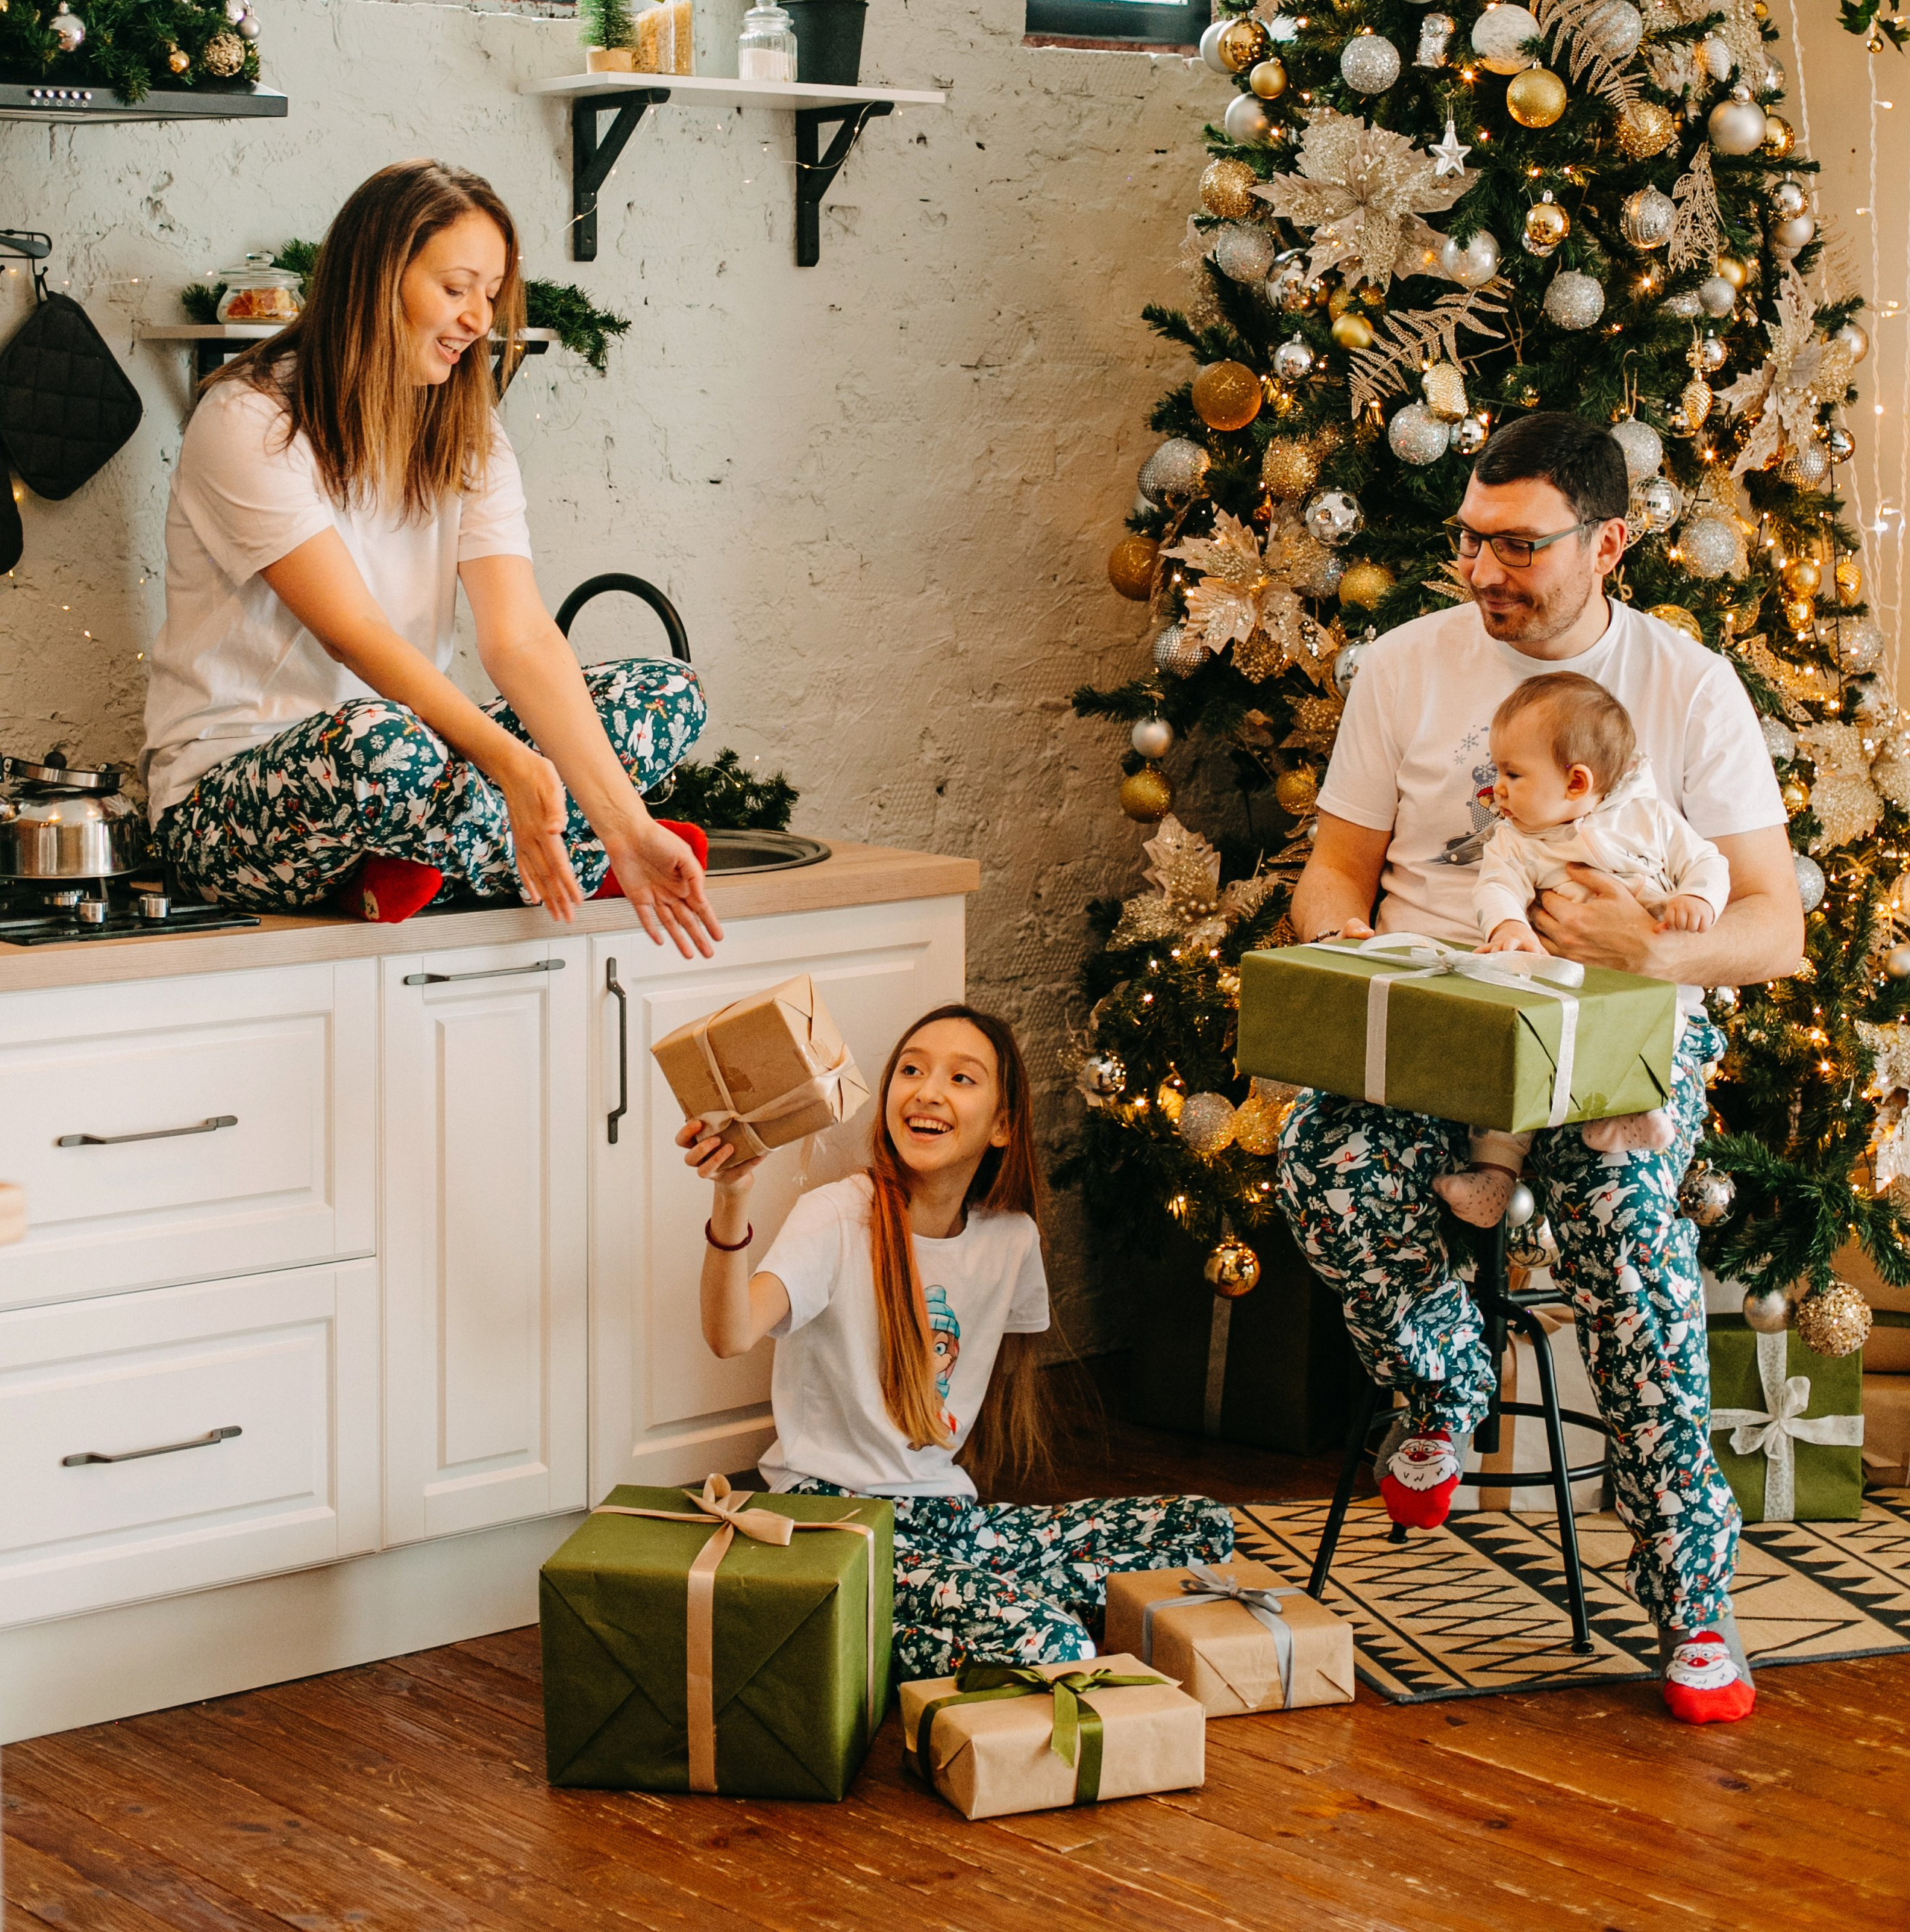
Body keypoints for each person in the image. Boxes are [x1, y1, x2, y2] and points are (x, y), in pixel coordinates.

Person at [1274, 410, 1802, 1725]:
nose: (1482, 571)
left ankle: (1692, 1608)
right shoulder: (1403, 667)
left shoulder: (1689, 688)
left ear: (1607, 542)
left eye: (1518, 546)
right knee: (1318, 1163)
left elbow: (1773, 927)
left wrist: (1649, 948)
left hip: (1614, 1031)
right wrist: (1342, 945)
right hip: (1440, 1018)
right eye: (1469, 538)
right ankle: (1444, 1379)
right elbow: (1336, 870)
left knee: (1634, 1254)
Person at [142, 159, 721, 954]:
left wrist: (624, 823)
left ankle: (442, 864)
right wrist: (518, 771)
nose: (478, 318)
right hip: (231, 802)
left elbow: (518, 639)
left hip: (423, 765)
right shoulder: (248, 417)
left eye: (491, 294)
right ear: (376, 278)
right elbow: (356, 635)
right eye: (456, 289)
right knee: (383, 746)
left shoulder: (469, 435)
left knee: (663, 694)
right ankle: (540, 853)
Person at [680, 1003, 1232, 1680]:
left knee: (1205, 1530)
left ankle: (918, 1612)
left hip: (945, 1518)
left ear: (1003, 1125)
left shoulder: (1011, 1239)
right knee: (1054, 1645)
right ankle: (827, 1624)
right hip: (834, 1522)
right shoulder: (837, 1215)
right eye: (911, 1070)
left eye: (962, 1078)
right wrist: (731, 1197)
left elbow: (984, 1394)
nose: (928, 1090)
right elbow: (729, 1332)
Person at [1434, 673, 1732, 1229]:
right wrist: (1508, 927)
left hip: (1646, 992)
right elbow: (1496, 886)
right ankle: (1494, 1178)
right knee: (1518, 1073)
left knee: (1646, 1034)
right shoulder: (1517, 839)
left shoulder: (1649, 819)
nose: (1496, 789)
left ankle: (1640, 1113)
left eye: (1513, 774)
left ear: (1576, 782)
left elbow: (1709, 863)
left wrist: (1697, 898)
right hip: (1560, 995)